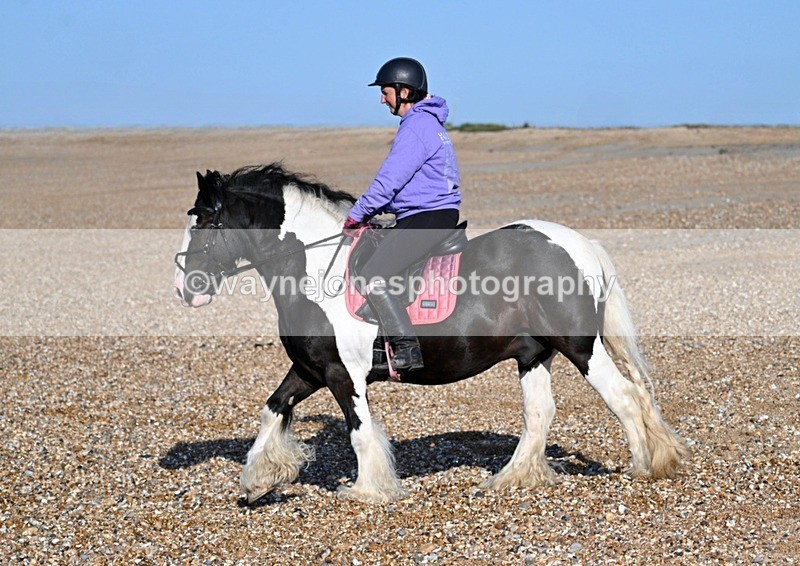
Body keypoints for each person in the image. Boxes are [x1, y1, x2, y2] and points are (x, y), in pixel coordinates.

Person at [343, 57, 462, 372]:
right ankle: (378, 349)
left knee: (372, 274)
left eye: (385, 92)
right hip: (427, 213)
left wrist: (356, 216)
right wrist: (386, 210)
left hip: (428, 217)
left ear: (404, 91)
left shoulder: (417, 126)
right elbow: (413, 184)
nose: (382, 100)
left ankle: (407, 349)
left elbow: (389, 181)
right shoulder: (427, 124)